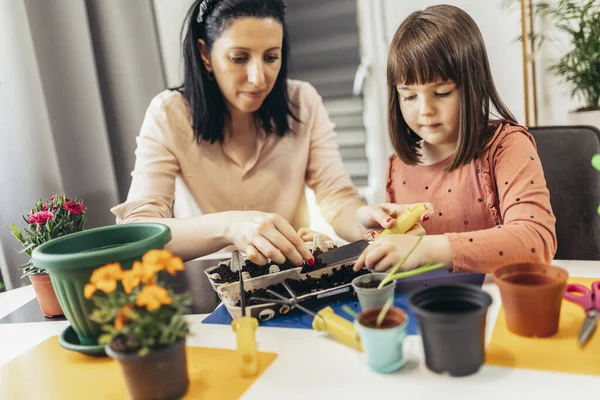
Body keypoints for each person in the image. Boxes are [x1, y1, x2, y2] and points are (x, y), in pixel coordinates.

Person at [111, 0, 429, 267]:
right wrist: (231, 226)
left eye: (270, 57)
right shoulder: (168, 114)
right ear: (205, 54)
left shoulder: (303, 102)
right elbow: (138, 232)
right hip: (205, 291)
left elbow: (336, 198)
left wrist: (363, 218)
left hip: (287, 276)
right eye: (239, 58)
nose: (258, 77)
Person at [354, 5, 557, 274]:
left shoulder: (507, 146)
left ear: (473, 87)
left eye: (442, 92)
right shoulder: (399, 165)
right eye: (409, 96)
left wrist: (425, 250)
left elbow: (536, 241)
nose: (425, 109)